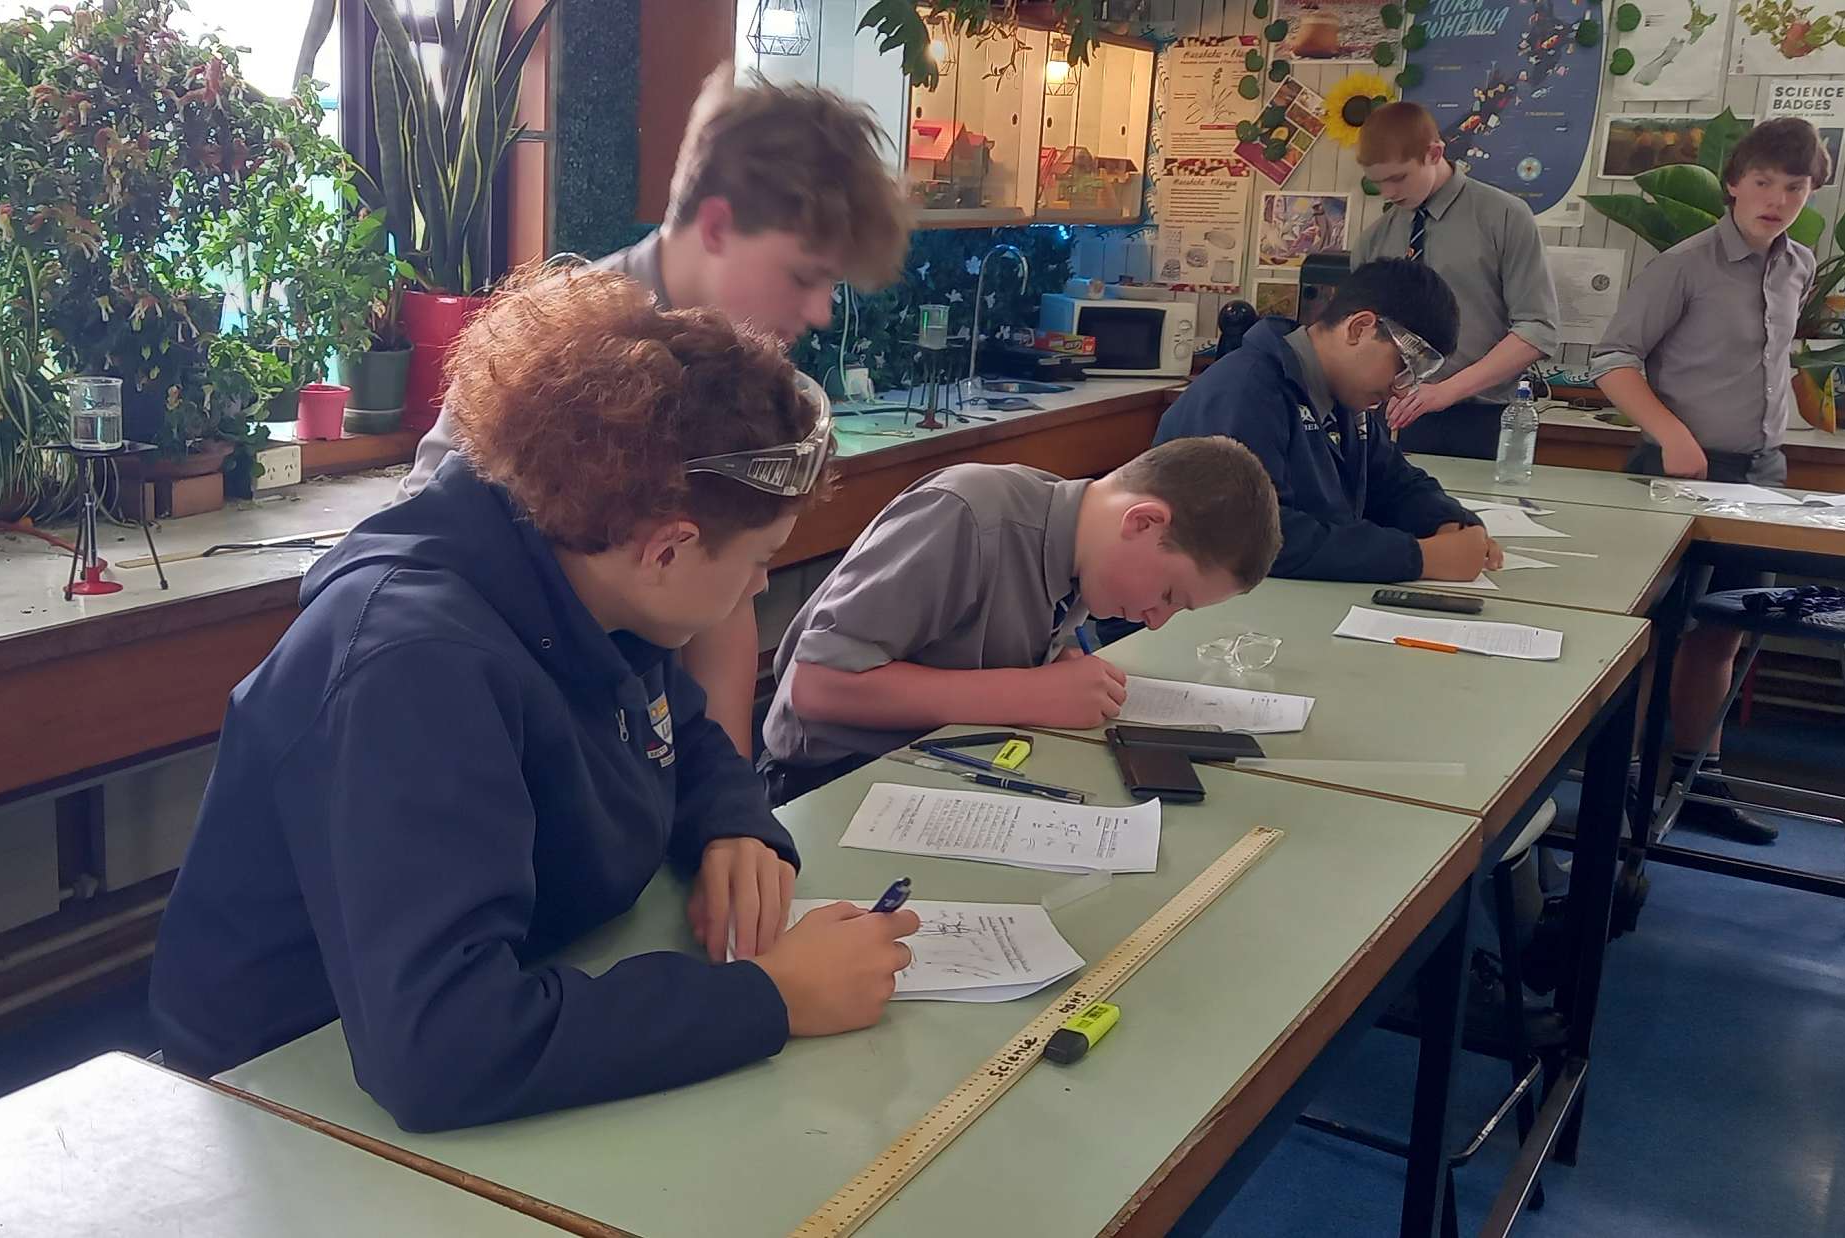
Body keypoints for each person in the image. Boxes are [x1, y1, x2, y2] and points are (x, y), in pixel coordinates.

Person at [151, 268, 919, 1131]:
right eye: (757, 559)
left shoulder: (584, 564)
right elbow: (442, 1051)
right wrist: (769, 998)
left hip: (509, 995)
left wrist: (732, 822)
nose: (761, 583)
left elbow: (678, 732)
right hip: (288, 1094)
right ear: (667, 550)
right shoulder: (413, 671)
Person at [398, 64, 909, 758]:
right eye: (803, 276)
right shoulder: (558, 355)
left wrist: (731, 800)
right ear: (718, 225)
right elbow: (430, 561)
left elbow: (726, 595)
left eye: (832, 285)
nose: (820, 312)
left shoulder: (741, 372)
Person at [758, 438, 1283, 801]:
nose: (1155, 621)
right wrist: (1027, 692)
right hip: (825, 783)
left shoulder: (1082, 563)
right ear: (1143, 522)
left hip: (940, 769)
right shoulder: (967, 514)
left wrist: (1053, 670)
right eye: (1168, 595)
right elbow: (817, 686)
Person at [1590, 117, 1828, 845]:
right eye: (1763, 182)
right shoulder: (1685, 265)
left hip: (1760, 475)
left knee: (1723, 633)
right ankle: (1623, 778)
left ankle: (1699, 782)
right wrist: (1670, 433)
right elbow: (1612, 358)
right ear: (1733, 184)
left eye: (1795, 187)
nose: (1777, 199)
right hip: (1677, 471)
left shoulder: (1799, 265)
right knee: (1652, 634)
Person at [1154, 258, 1500, 585]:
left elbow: (1395, 483)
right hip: (1201, 609)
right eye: (1403, 368)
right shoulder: (1245, 391)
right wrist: (1421, 558)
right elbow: (1251, 537)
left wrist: (1449, 523)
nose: (1401, 390)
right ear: (1359, 328)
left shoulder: (1345, 399)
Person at [1351, 102, 1561, 459]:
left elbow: (1537, 329)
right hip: (1394, 417)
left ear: (1434, 153)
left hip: (1481, 417)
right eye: (1378, 182)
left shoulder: (1504, 217)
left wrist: (1446, 391)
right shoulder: (1374, 240)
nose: (1387, 193)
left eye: (1398, 178)